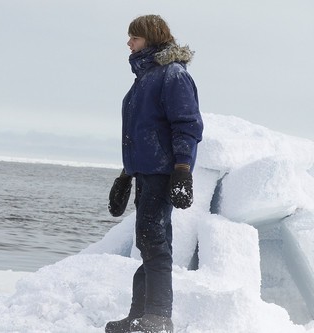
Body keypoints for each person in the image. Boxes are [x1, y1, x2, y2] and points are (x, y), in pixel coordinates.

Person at [105, 15, 203, 333]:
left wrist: (182, 171)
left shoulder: (172, 75)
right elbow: (140, 134)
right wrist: (125, 176)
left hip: (163, 173)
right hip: (145, 173)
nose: (129, 43)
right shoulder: (145, 78)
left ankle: (158, 318)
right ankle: (140, 315)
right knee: (151, 241)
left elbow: (186, 126)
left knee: (153, 241)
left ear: (150, 38)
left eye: (134, 37)